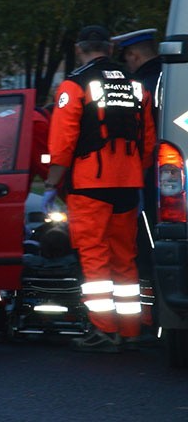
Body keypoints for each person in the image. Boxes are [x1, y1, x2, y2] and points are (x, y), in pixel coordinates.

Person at [43, 25, 156, 353]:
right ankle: (132, 328)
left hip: (90, 184)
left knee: (95, 257)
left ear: (80, 49)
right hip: (127, 183)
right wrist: (136, 169)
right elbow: (148, 139)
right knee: (125, 257)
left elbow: (63, 142)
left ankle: (105, 331)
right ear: (108, 48)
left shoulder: (75, 84)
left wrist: (52, 182)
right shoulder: (136, 85)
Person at [111, 27, 162, 331]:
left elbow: (143, 133)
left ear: (134, 55)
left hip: (150, 174)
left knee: (146, 248)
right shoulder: (171, 76)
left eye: (127, 58)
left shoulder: (142, 83)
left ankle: (152, 321)